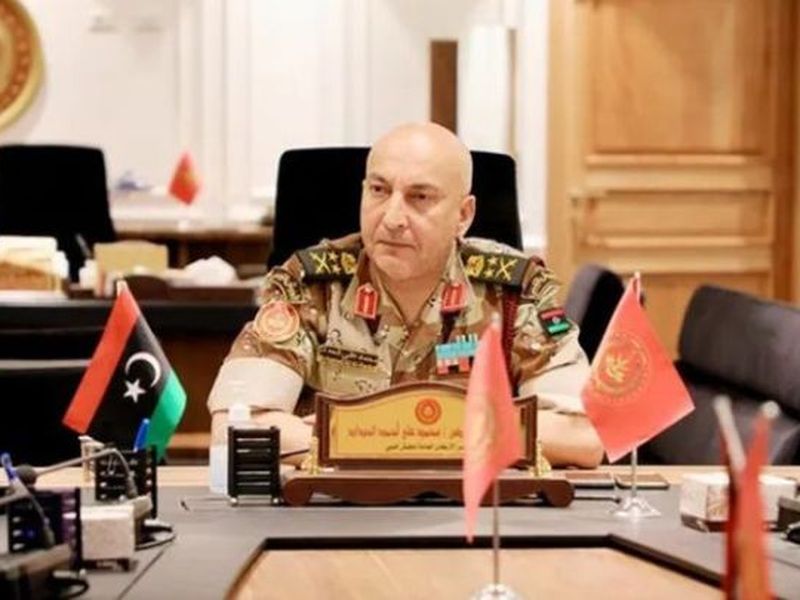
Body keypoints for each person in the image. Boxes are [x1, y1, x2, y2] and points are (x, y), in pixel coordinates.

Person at [208, 122, 603, 468]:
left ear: (463, 215)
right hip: (335, 512)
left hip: (471, 515)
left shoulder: (515, 294)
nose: (393, 218)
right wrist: (416, 439)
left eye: (420, 197)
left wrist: (385, 437)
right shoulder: (311, 286)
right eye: (379, 190)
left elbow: (584, 437)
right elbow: (235, 427)